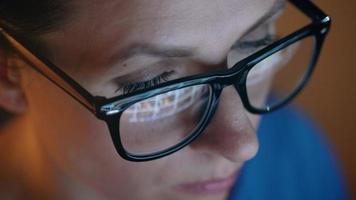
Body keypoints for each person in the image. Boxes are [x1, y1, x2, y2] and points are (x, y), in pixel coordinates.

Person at [0, 0, 348, 199]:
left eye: (256, 44)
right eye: (153, 85)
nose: (244, 145)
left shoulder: (296, 154)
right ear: (9, 75)